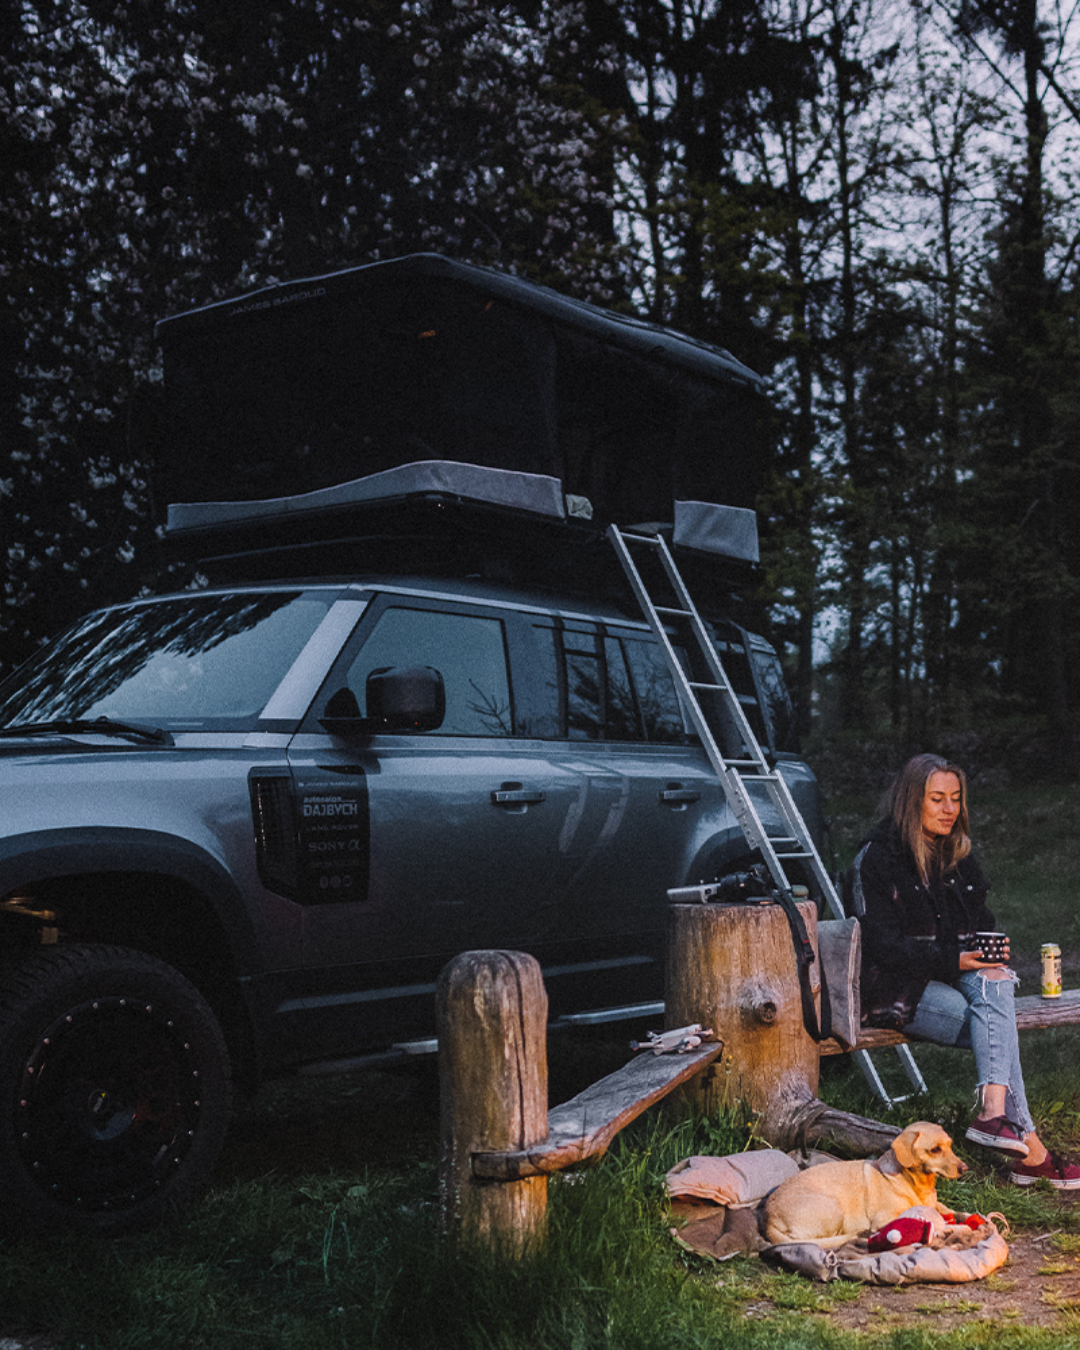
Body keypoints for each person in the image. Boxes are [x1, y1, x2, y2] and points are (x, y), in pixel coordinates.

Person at [850, 752, 1080, 1189]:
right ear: (910, 801)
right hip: (898, 986)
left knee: (996, 983)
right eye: (937, 799)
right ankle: (1029, 1149)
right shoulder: (878, 859)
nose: (949, 809)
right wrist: (954, 960)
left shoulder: (956, 853)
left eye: (955, 798)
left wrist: (986, 949)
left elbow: (979, 921)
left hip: (952, 974)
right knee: (999, 1021)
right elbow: (883, 947)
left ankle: (996, 1115)